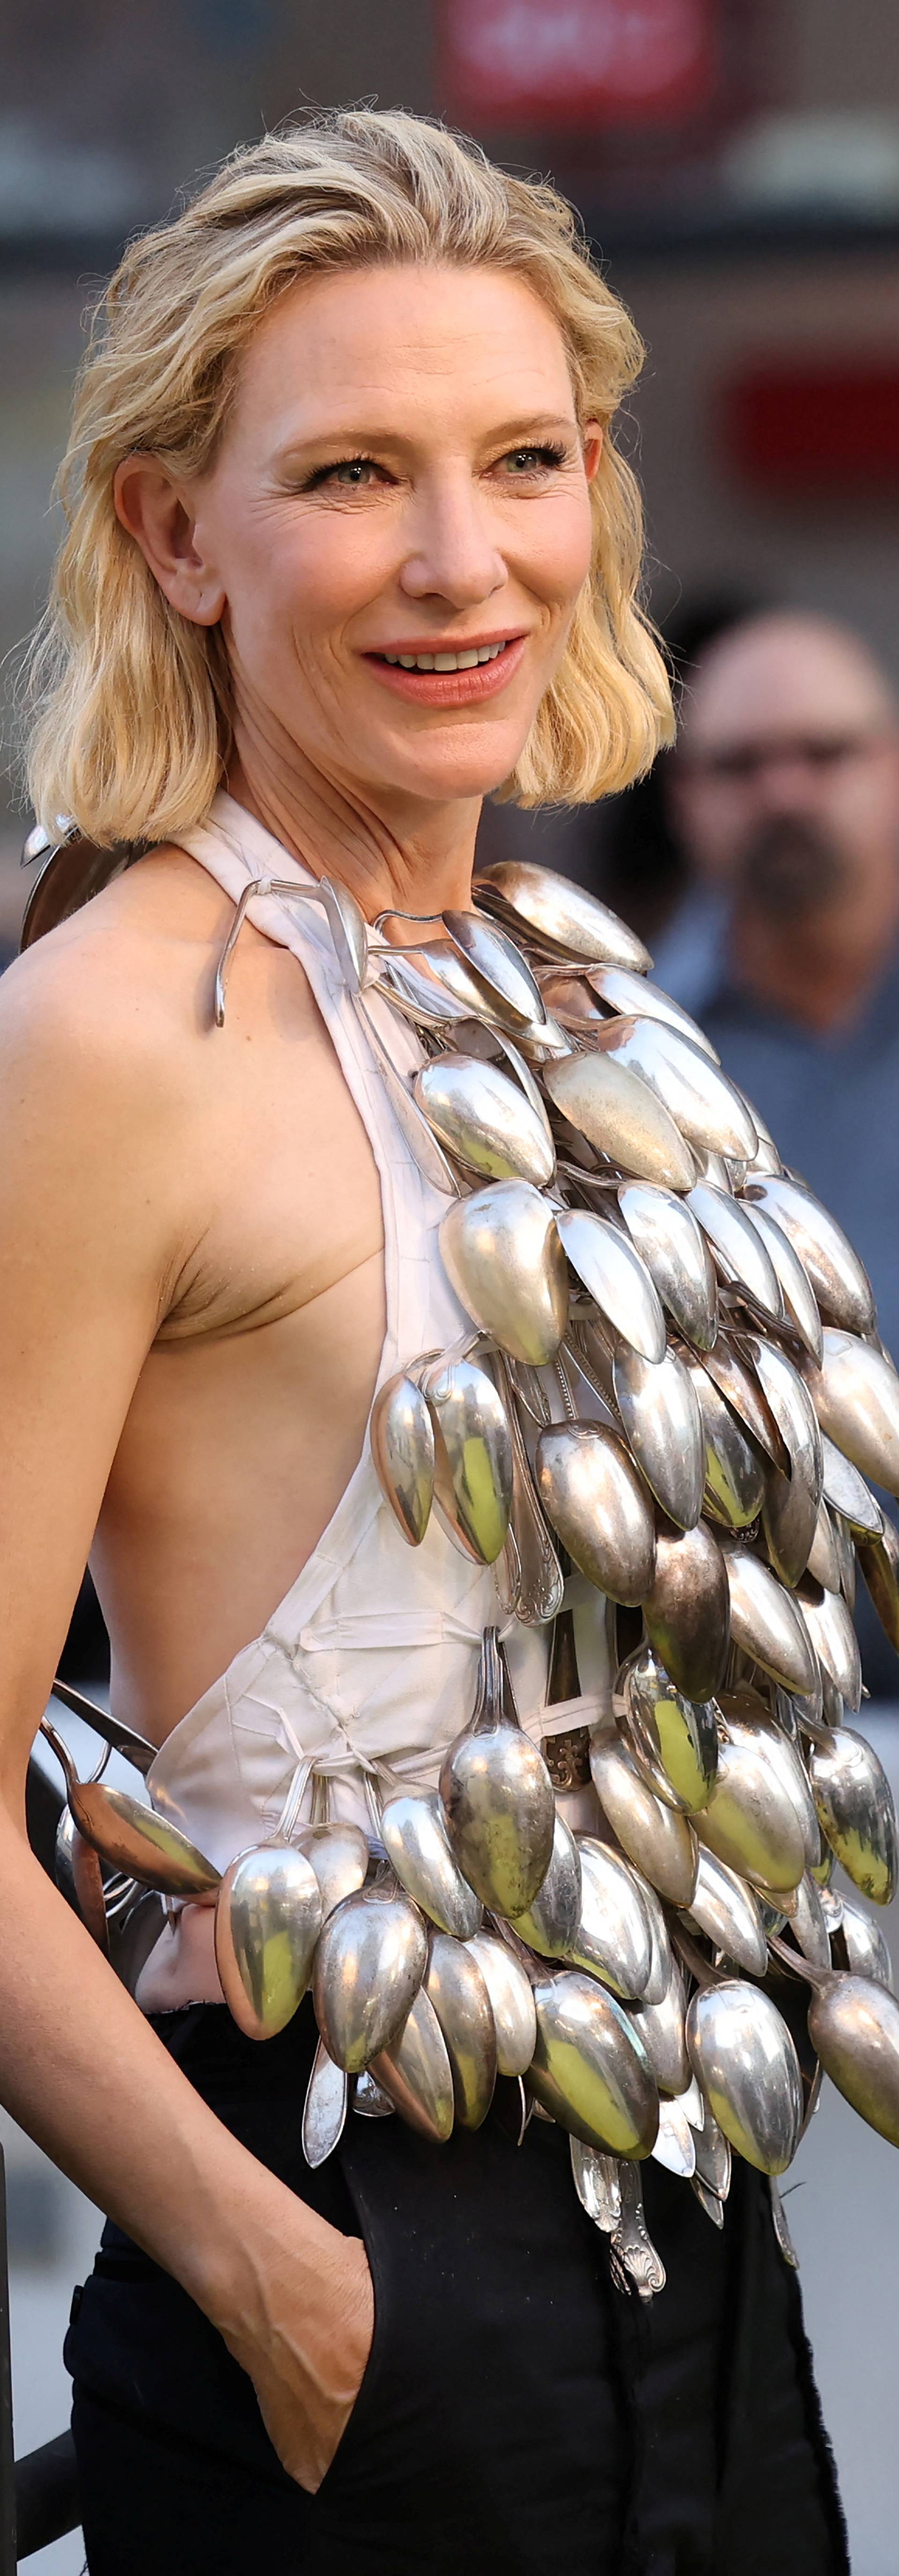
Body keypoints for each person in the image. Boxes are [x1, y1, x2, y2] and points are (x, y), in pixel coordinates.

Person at [2, 114, 847, 2575]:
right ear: (179, 533)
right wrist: (278, 2283)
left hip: (689, 2211)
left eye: (525, 460)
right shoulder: (109, 1037)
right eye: (355, 472)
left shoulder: (569, 976)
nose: (464, 559)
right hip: (348, 2236)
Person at [656, 609, 899, 1692]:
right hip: (749, 1721)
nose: (786, 793)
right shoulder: (622, 1060)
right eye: (741, 764)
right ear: (685, 799)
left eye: (827, 753)